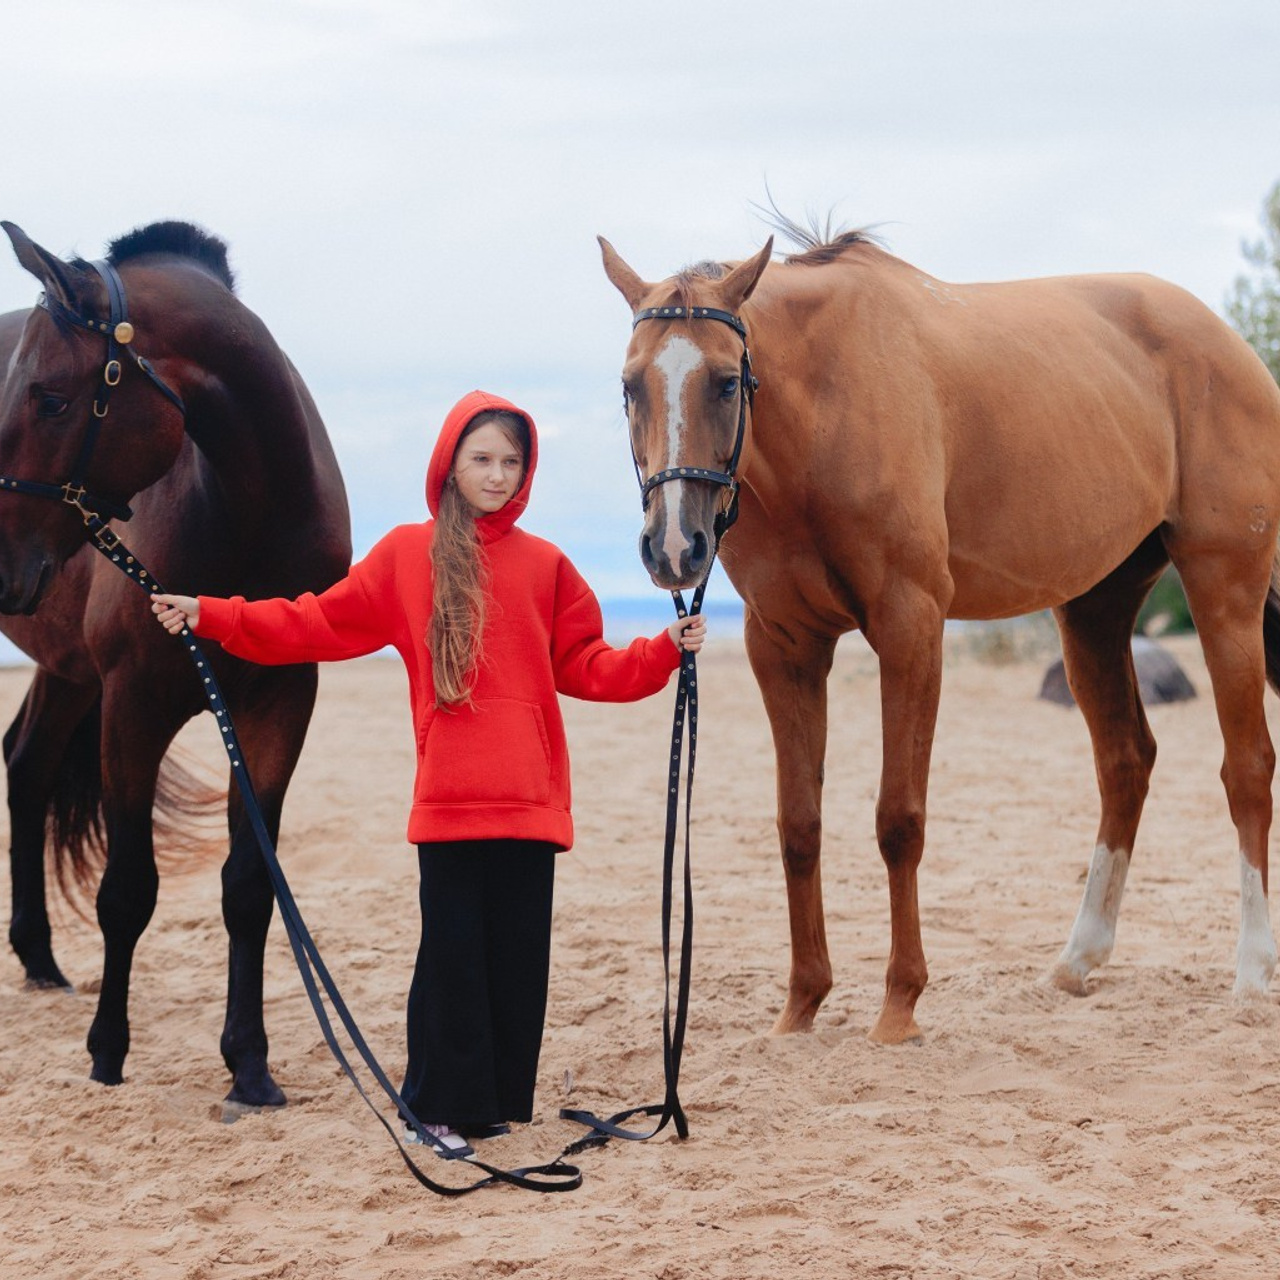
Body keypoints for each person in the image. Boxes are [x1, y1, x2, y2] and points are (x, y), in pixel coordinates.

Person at [151, 390, 704, 1159]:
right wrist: (212, 614)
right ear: (449, 464)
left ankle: (491, 1109)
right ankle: (435, 1110)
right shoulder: (406, 557)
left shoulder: (548, 565)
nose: (498, 474)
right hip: (449, 802)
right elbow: (312, 622)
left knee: (516, 966)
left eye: (512, 461)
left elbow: (588, 665)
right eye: (482, 458)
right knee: (451, 965)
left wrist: (663, 651)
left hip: (531, 802)